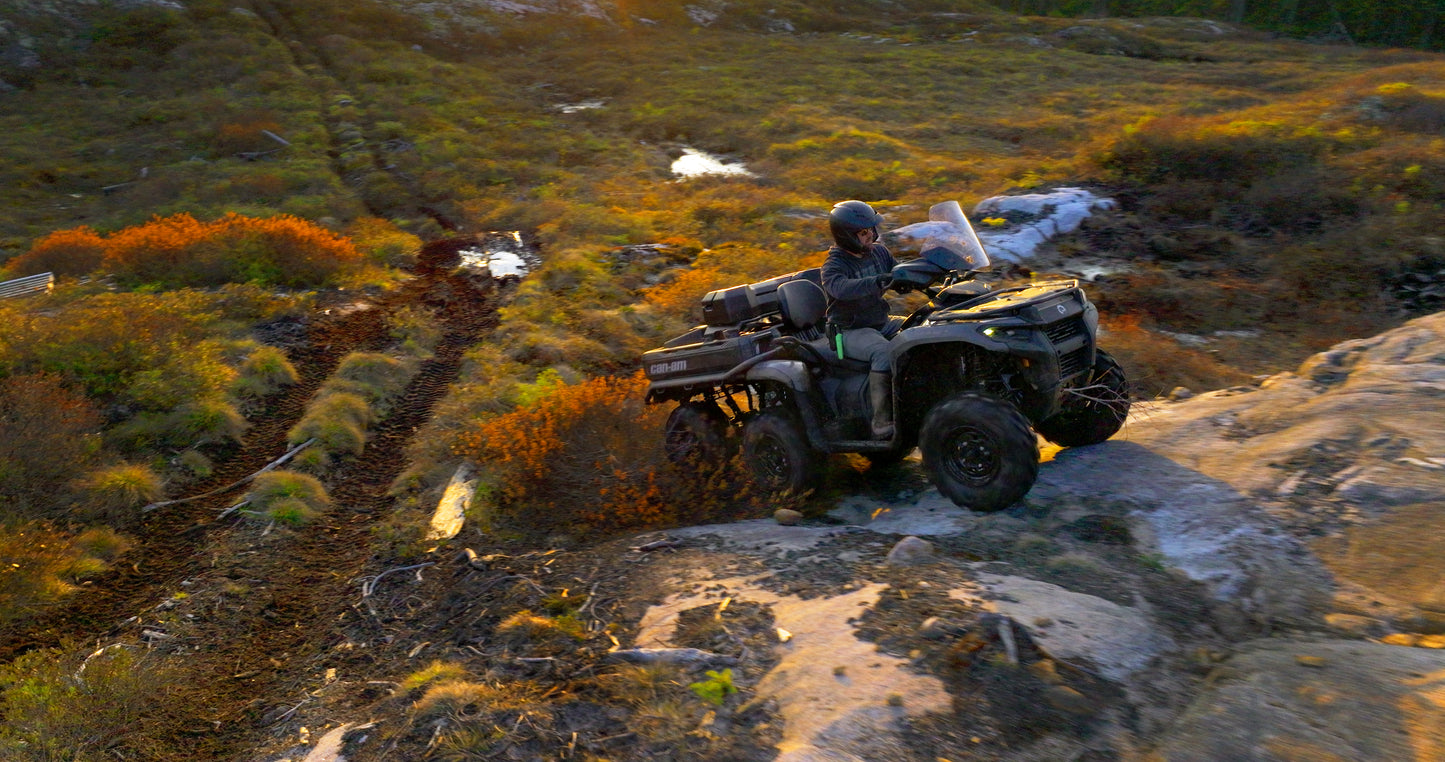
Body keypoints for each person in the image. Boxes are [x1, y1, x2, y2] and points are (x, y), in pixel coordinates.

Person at [820, 200, 902, 440]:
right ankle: (881, 421)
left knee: (926, 328)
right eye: (864, 232)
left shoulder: (879, 252)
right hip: (847, 331)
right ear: (847, 236)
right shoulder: (834, 265)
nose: (871, 236)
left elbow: (897, 274)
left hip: (881, 322)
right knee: (883, 353)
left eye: (872, 230)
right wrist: (877, 281)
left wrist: (919, 274)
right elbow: (841, 288)